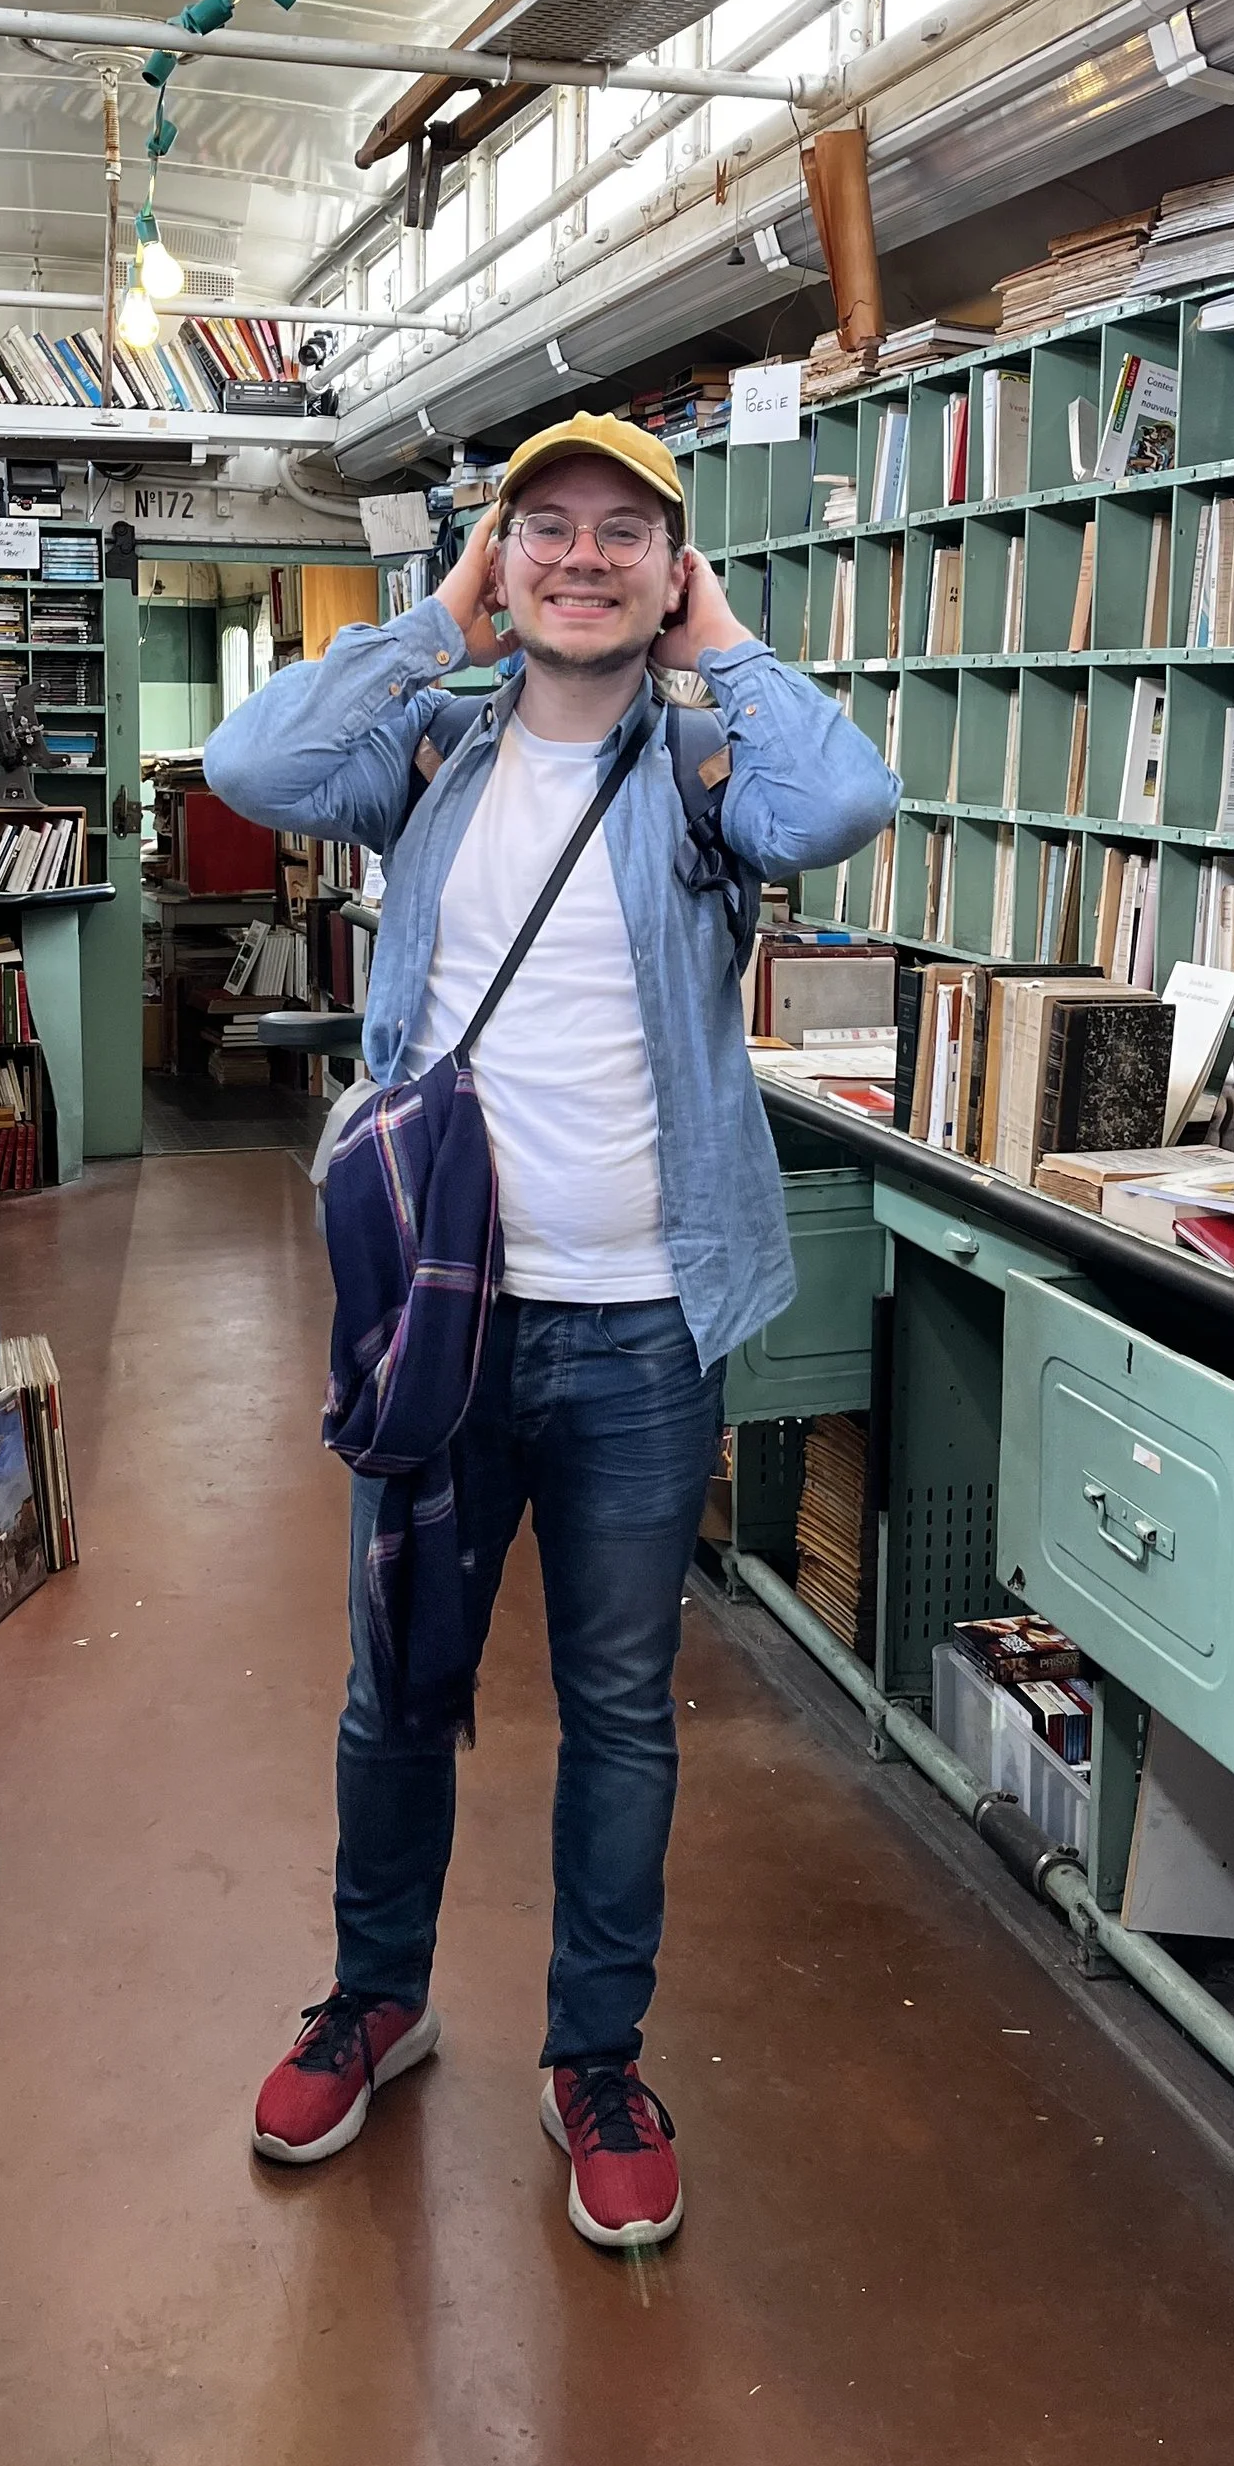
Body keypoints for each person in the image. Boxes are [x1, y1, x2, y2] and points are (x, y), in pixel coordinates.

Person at [206, 412, 898, 2249]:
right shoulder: (427, 750)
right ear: (501, 561)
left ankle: (595, 2055)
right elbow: (247, 757)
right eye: (546, 531)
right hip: (446, 1329)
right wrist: (436, 620)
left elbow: (844, 803)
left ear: (671, 570)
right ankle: (379, 1995)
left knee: (617, 1709)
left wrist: (723, 644)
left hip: (644, 1330)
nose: (582, 558)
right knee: (398, 1689)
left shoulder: (703, 773)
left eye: (624, 535)